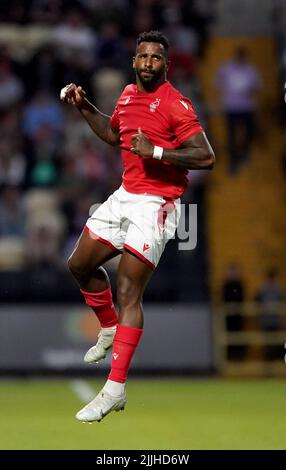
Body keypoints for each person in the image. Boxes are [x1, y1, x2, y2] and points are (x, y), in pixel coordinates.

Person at [60, 30, 215, 423]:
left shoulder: (176, 104)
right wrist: (83, 106)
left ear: (166, 63)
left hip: (158, 204)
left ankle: (114, 389)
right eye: (143, 56)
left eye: (156, 57)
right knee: (79, 264)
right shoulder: (127, 94)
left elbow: (206, 156)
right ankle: (109, 328)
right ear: (134, 61)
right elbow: (115, 134)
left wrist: (159, 151)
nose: (148, 63)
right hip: (125, 195)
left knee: (129, 290)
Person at [214, 47, 262, 175]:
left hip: (247, 107)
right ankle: (234, 161)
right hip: (231, 107)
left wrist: (248, 91)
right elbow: (218, 84)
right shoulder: (226, 69)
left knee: (250, 132)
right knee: (232, 136)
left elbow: (257, 87)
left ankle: (244, 152)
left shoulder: (251, 70)